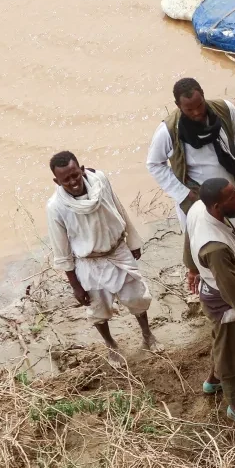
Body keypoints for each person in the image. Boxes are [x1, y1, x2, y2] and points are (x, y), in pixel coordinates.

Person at [146, 77, 235, 287]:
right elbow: (154, 164)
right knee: (215, 254)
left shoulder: (224, 110)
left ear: (203, 94)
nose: (197, 112)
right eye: (189, 109)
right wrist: (183, 193)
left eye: (199, 105)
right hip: (200, 203)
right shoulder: (168, 131)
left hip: (232, 194)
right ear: (178, 107)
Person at [46, 152, 160, 362]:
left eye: (75, 175)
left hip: (118, 250)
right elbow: (61, 251)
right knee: (98, 309)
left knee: (137, 298)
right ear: (57, 181)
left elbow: (118, 208)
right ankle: (111, 344)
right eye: (66, 180)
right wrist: (75, 286)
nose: (73, 182)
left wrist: (132, 241)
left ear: (81, 168)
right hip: (89, 263)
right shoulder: (56, 208)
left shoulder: (100, 180)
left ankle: (147, 335)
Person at [183, 179, 235, 426]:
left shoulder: (198, 208)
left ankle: (213, 382)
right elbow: (232, 290)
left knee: (221, 341)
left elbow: (188, 236)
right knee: (234, 355)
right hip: (226, 302)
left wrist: (192, 268)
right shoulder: (215, 248)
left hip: (211, 287)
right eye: (231, 197)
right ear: (217, 206)